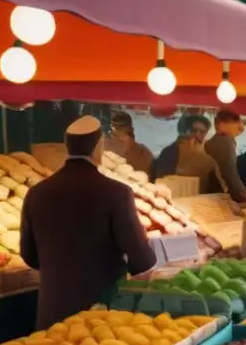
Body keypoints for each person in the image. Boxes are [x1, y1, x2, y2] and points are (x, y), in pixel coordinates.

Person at [20, 116, 157, 330]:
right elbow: (142, 259)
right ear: (99, 146)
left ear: (67, 147)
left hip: (53, 316)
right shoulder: (117, 193)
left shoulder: (36, 193)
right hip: (100, 316)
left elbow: (29, 255)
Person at [204, 109, 246, 203]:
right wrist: (243, 195)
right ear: (221, 124)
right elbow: (229, 172)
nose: (239, 130)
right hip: (217, 196)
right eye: (236, 125)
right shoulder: (224, 142)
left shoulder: (213, 142)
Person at [152, 114, 209, 180]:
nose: (197, 135)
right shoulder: (169, 154)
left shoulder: (206, 155)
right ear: (185, 132)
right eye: (194, 130)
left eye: (202, 132)